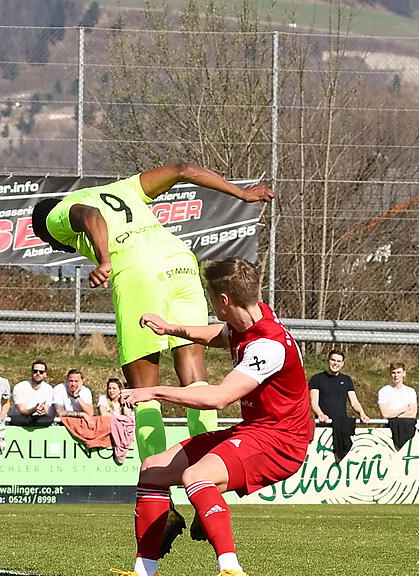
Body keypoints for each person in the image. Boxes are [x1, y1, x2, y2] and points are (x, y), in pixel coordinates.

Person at [32, 164, 274, 465]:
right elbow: (182, 169)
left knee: (143, 391)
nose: (56, 245)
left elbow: (89, 217)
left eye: (49, 241)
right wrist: (242, 194)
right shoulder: (122, 188)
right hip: (181, 263)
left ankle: (157, 489)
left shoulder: (56, 216)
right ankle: (208, 476)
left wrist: (105, 260)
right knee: (195, 378)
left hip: (139, 272)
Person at [112, 258, 313, 576]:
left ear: (223, 300)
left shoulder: (269, 347)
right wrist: (170, 328)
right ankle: (144, 571)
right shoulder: (249, 320)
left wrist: (153, 391)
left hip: (281, 442)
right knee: (152, 469)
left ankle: (231, 569)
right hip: (255, 431)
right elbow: (216, 335)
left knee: (197, 476)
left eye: (210, 298)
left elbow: (219, 398)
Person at [308, 350, 370, 461]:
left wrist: (362, 413)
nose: (335, 363)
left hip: (342, 427)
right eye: (333, 360)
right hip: (323, 426)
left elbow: (354, 402)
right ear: (328, 361)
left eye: (338, 361)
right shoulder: (316, 379)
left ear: (342, 364)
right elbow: (314, 402)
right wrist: (320, 414)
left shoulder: (346, 380)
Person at [377, 362, 418, 450]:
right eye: (393, 373)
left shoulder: (410, 391)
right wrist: (403, 409)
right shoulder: (383, 391)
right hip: (388, 430)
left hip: (408, 430)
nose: (396, 376)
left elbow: (413, 413)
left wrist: (393, 414)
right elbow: (385, 414)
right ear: (390, 374)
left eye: (398, 372)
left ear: (404, 373)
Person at [8, 360, 55, 426]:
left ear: (45, 374)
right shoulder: (19, 387)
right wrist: (35, 409)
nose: (38, 373)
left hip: (40, 419)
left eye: (41, 372)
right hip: (20, 419)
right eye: (35, 371)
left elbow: (47, 409)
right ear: (31, 372)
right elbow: (22, 410)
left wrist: (43, 410)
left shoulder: (49, 389)